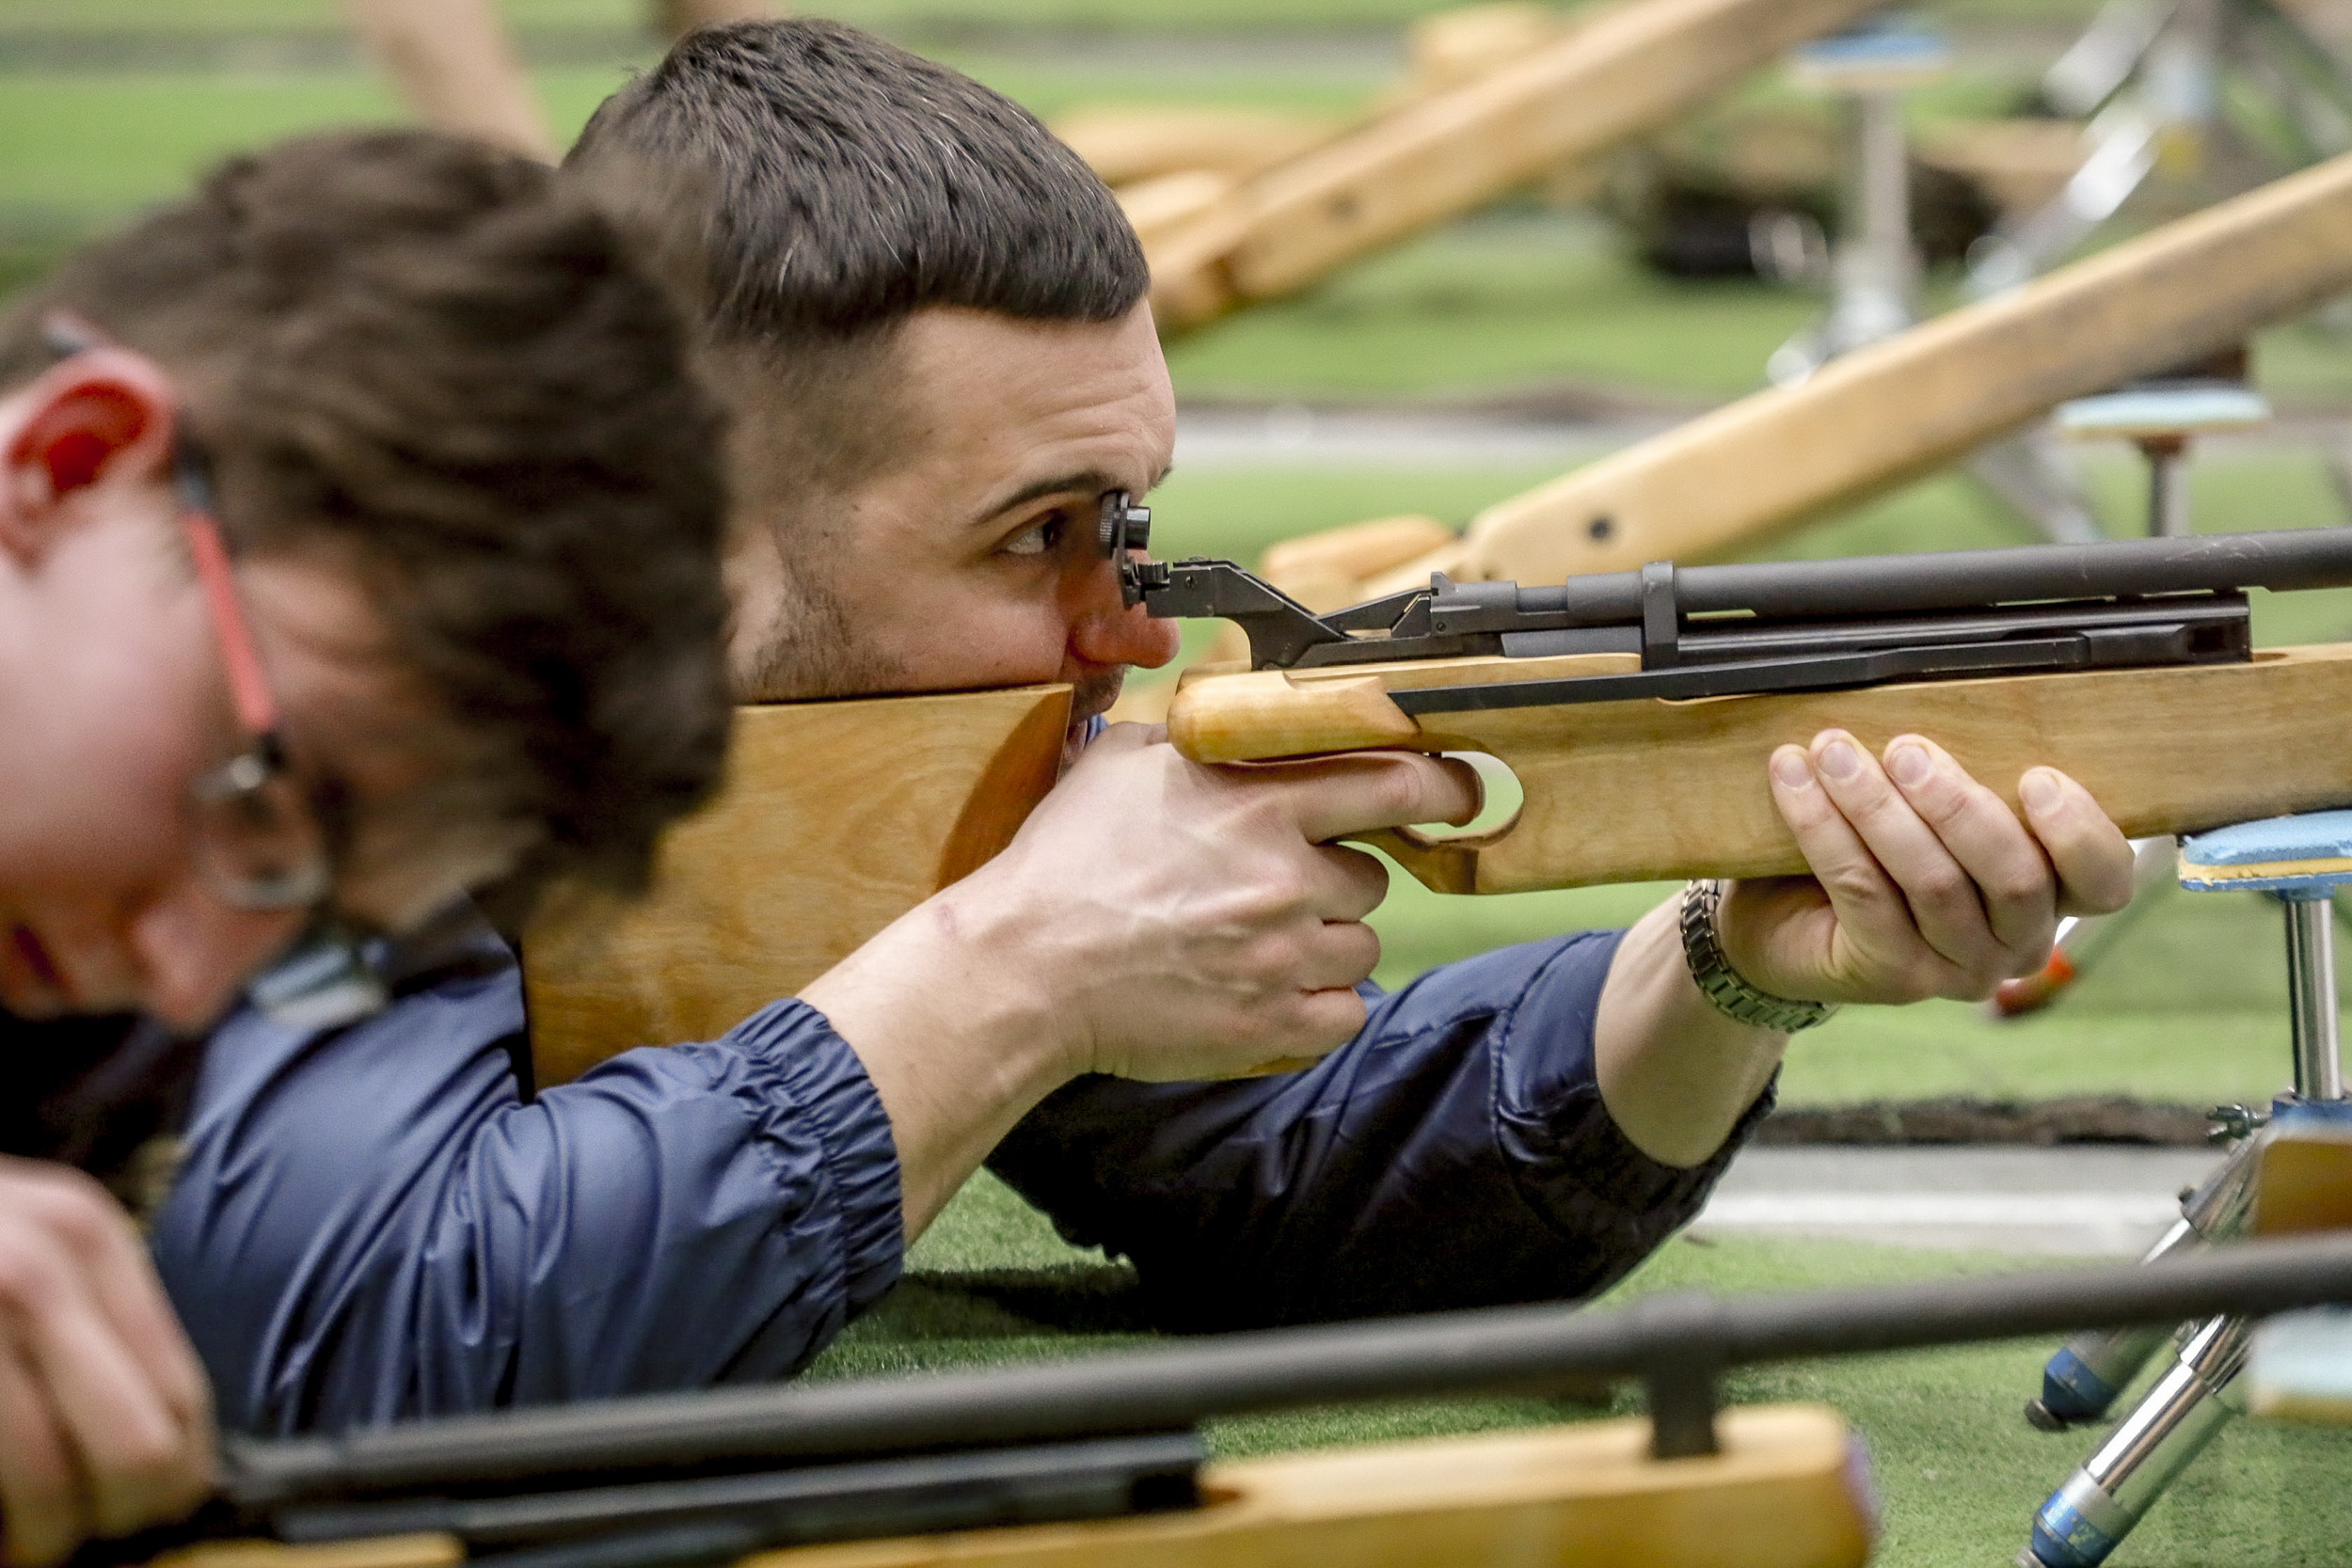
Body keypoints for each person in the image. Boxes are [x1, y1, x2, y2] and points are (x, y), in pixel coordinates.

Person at [151, 21, 2137, 1437]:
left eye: (1130, 522)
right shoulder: (329, 697)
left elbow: (1286, 1196)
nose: (1126, 623)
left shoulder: (855, 769)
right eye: (1037, 537)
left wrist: (1724, 962)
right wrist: (1015, 966)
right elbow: (372, 1345)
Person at [0, 128, 739, 1564]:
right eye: (263, 797)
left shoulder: (87, 980)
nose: (185, 983)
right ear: (71, 465)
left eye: (310, 926)